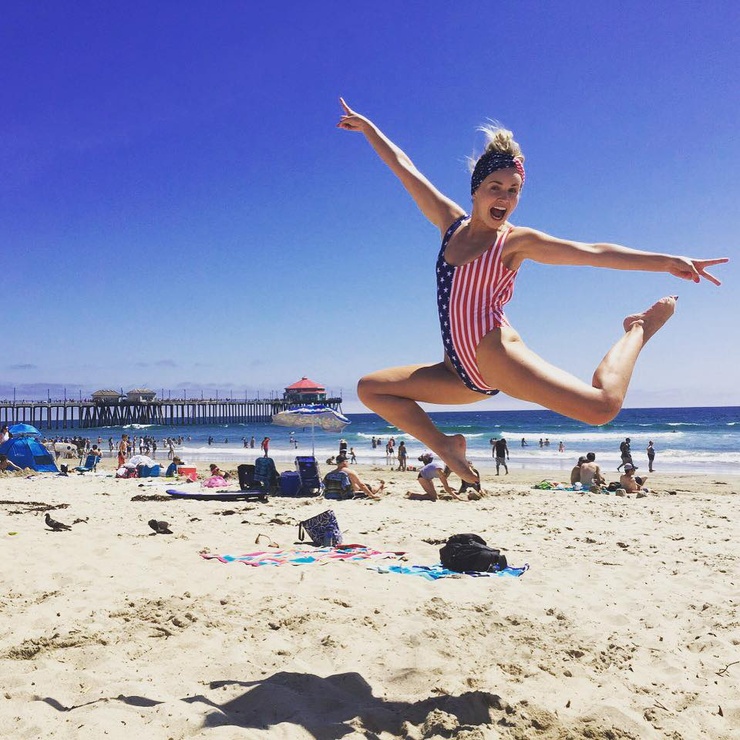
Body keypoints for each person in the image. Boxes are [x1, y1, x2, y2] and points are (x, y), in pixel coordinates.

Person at [338, 99, 727, 483]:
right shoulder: (450, 223)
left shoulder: (513, 242)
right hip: (456, 373)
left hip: (497, 356)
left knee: (602, 408)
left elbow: (592, 252)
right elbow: (405, 168)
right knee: (371, 390)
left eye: (513, 190)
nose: (504, 198)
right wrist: (369, 129)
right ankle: (446, 446)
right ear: (476, 190)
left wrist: (666, 261)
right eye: (495, 187)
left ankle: (638, 328)